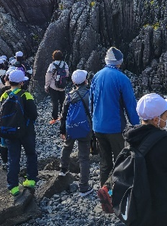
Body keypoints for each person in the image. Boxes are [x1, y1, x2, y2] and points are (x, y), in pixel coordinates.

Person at [121, 93, 167, 225]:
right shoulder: (166, 141)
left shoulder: (131, 138)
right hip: (164, 206)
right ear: (156, 120)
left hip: (140, 205)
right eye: (166, 116)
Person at [90, 47, 140, 188]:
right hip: (115, 127)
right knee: (120, 160)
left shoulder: (96, 76)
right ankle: (118, 193)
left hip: (98, 126)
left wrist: (92, 122)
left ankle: (105, 191)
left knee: (105, 161)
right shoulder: (122, 78)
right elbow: (130, 104)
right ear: (119, 62)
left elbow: (91, 102)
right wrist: (136, 125)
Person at [0, 70, 38, 196]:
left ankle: (13, 186)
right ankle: (31, 180)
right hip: (26, 131)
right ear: (21, 82)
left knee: (13, 158)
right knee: (31, 154)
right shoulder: (26, 95)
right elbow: (33, 114)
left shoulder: (4, 95)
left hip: (10, 131)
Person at [59, 69, 93, 197]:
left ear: (73, 82)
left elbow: (63, 115)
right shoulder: (89, 94)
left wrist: (62, 130)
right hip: (85, 128)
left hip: (70, 127)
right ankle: (83, 187)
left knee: (67, 147)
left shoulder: (69, 95)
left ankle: (63, 169)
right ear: (85, 80)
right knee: (83, 157)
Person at [45, 50, 69, 125]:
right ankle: (62, 116)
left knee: (55, 102)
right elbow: (67, 74)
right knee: (62, 102)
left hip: (53, 86)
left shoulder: (52, 65)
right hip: (62, 86)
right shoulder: (65, 64)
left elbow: (48, 76)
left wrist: (47, 85)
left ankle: (54, 118)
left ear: (53, 57)